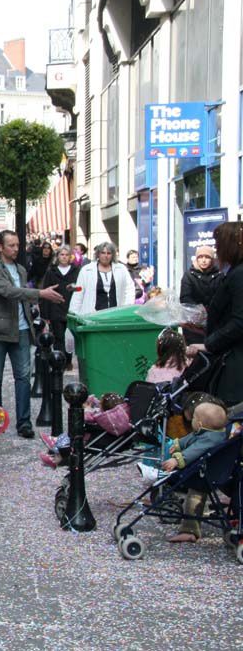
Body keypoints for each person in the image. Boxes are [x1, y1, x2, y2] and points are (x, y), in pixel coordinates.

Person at [0, 230, 64, 439]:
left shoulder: (21, 269)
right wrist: (40, 294)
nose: (15, 249)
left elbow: (21, 296)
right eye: (11, 245)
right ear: (0, 247)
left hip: (22, 328)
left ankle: (24, 422)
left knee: (23, 377)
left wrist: (37, 310)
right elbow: (9, 292)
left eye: (17, 245)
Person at [186, 222, 243, 406]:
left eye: (219, 245)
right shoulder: (234, 272)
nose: (217, 251)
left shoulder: (238, 274)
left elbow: (239, 321)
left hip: (234, 363)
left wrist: (208, 344)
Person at [162, 402, 229, 542]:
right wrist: (178, 444)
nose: (191, 420)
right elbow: (191, 438)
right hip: (208, 472)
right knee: (195, 496)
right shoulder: (208, 432)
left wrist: (177, 460)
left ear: (199, 423)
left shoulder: (210, 439)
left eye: (193, 418)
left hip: (205, 475)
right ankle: (190, 528)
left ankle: (190, 529)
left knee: (194, 497)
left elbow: (195, 450)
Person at [39, 245, 80, 366]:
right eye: (61, 255)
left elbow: (80, 288)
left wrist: (75, 288)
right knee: (59, 337)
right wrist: (44, 313)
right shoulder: (51, 271)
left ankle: (68, 359)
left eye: (66, 255)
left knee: (70, 337)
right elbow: (45, 291)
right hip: (55, 308)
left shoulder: (76, 271)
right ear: (57, 257)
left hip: (71, 308)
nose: (64, 257)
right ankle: (59, 361)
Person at [70, 242, 135, 315]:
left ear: (112, 255)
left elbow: (129, 289)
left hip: (116, 315)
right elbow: (78, 293)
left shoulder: (121, 269)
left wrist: (127, 308)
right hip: (92, 315)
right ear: (98, 254)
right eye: (103, 253)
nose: (106, 256)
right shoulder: (86, 270)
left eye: (109, 253)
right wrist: (74, 312)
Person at [179, 244, 222, 345]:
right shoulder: (188, 276)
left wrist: (211, 310)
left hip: (214, 322)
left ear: (212, 259)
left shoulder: (220, 276)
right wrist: (198, 310)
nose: (203, 260)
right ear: (196, 259)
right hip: (193, 324)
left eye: (207, 257)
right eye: (201, 257)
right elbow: (185, 298)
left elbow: (222, 298)